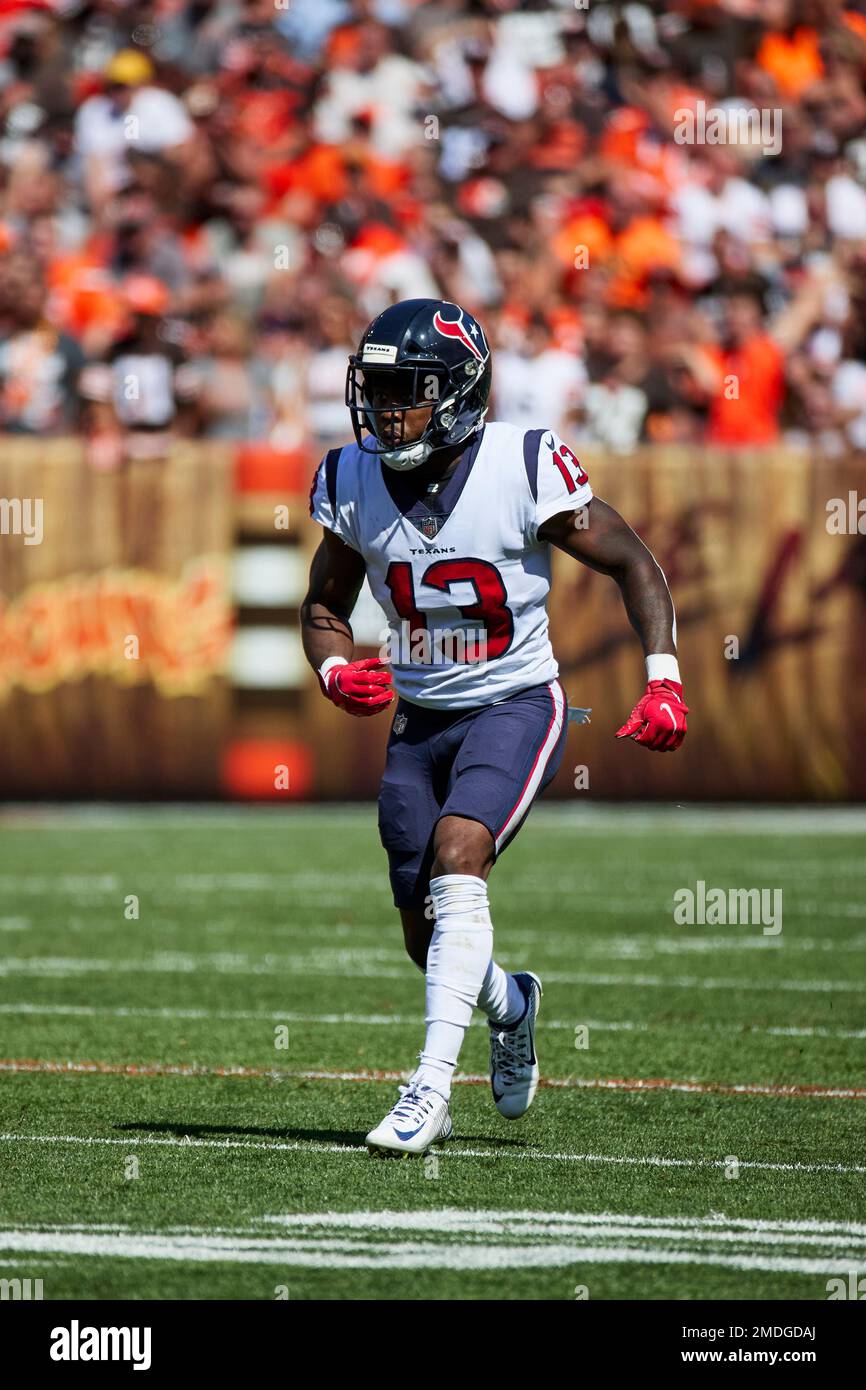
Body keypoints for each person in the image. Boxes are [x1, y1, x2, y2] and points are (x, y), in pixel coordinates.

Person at [301, 297, 688, 1157]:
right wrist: (332, 668)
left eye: (407, 391)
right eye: (378, 390)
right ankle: (512, 1002)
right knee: (422, 928)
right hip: (419, 718)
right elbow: (324, 604)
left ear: (461, 392)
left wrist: (664, 677)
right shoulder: (351, 476)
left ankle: (427, 1091)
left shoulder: (524, 460)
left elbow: (632, 561)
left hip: (516, 701)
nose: (384, 410)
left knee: (461, 849)